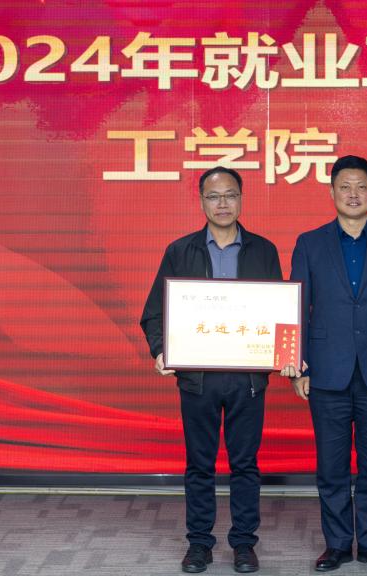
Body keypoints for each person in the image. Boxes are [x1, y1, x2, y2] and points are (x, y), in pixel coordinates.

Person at [139, 166, 282, 574]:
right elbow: (154, 313)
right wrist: (162, 350)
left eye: (230, 195)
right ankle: (199, 544)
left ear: (241, 199)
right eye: (214, 196)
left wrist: (287, 352)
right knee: (199, 465)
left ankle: (244, 544)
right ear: (201, 201)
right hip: (198, 379)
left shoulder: (263, 251)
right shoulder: (180, 251)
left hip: (247, 378)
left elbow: (281, 311)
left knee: (245, 465)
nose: (223, 204)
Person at [288, 155, 367, 572]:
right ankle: (338, 544)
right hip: (326, 371)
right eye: (345, 186)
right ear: (332, 192)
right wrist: (298, 365)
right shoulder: (309, 243)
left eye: (361, 186)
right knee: (331, 467)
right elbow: (297, 306)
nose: (353, 194)